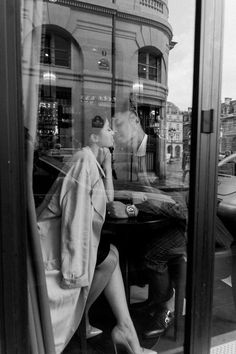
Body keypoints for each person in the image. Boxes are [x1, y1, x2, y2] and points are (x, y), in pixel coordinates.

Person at [107, 107, 233, 339]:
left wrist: (132, 208)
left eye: (119, 124)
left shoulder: (162, 150)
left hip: (190, 223)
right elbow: (150, 192)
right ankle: (155, 302)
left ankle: (165, 309)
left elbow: (177, 205)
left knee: (153, 253)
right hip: (173, 219)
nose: (115, 131)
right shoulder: (137, 152)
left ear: (135, 120)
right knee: (137, 248)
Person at [36, 115, 156, 354]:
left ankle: (110, 326)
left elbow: (108, 199)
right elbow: (75, 219)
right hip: (53, 248)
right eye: (109, 130)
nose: (113, 133)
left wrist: (108, 161)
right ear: (93, 136)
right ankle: (115, 329)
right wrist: (76, 274)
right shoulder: (83, 161)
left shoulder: (92, 160)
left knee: (111, 254)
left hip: (65, 243)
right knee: (110, 256)